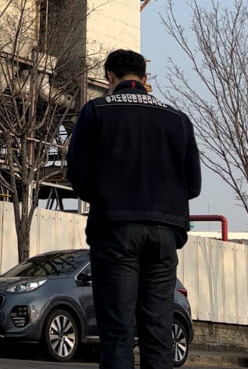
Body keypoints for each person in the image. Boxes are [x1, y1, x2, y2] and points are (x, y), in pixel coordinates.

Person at [67, 49, 201, 369]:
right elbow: (193, 185)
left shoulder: (95, 111)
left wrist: (104, 197)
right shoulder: (177, 119)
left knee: (117, 331)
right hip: (165, 234)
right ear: (145, 79)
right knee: (158, 333)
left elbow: (77, 174)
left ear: (109, 78)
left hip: (116, 230)